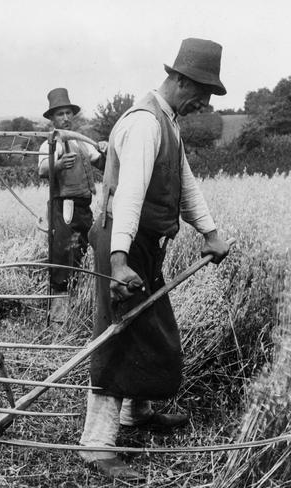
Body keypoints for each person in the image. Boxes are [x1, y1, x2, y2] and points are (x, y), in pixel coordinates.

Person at [78, 38, 230, 481]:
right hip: (123, 243)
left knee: (151, 330)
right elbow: (129, 197)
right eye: (202, 89)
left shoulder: (169, 122)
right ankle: (96, 445)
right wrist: (121, 260)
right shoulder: (145, 124)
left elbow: (185, 187)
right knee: (118, 335)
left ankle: (136, 414)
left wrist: (212, 233)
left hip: (143, 245)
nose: (204, 100)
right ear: (181, 79)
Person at [38, 88, 106, 322]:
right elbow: (42, 170)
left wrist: (107, 149)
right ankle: (59, 319)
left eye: (68, 113)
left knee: (85, 252)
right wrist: (57, 165)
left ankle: (81, 310)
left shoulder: (80, 142)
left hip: (83, 207)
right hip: (63, 207)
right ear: (52, 118)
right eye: (60, 114)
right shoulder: (50, 144)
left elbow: (101, 163)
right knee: (63, 256)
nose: (65, 118)